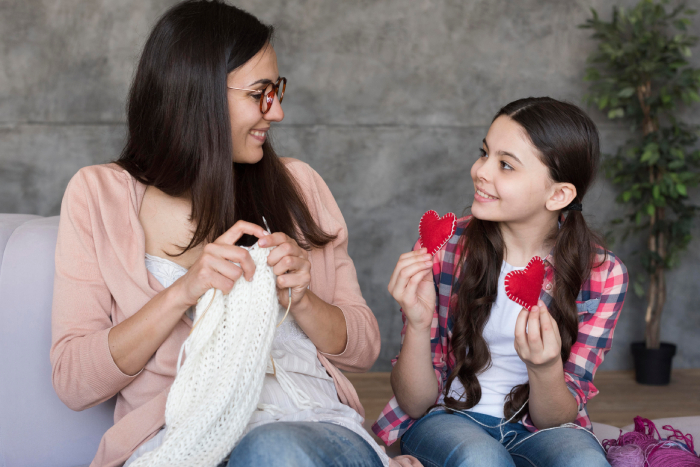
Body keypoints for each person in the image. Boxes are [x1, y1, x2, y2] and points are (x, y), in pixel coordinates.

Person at [51, 2, 418, 466]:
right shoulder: (99, 195)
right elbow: (74, 381)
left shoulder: (299, 186)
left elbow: (363, 348)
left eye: (277, 90)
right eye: (259, 93)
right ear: (198, 93)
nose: (278, 111)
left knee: (274, 449)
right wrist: (184, 291)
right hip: (179, 438)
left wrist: (302, 298)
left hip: (310, 425)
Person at [373, 97, 628, 466]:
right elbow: (415, 402)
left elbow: (555, 419)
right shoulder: (445, 249)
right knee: (483, 459)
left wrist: (545, 368)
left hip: (540, 430)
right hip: (446, 416)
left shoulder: (603, 274)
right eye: (484, 153)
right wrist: (416, 323)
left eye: (505, 165)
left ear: (558, 194)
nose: (481, 170)